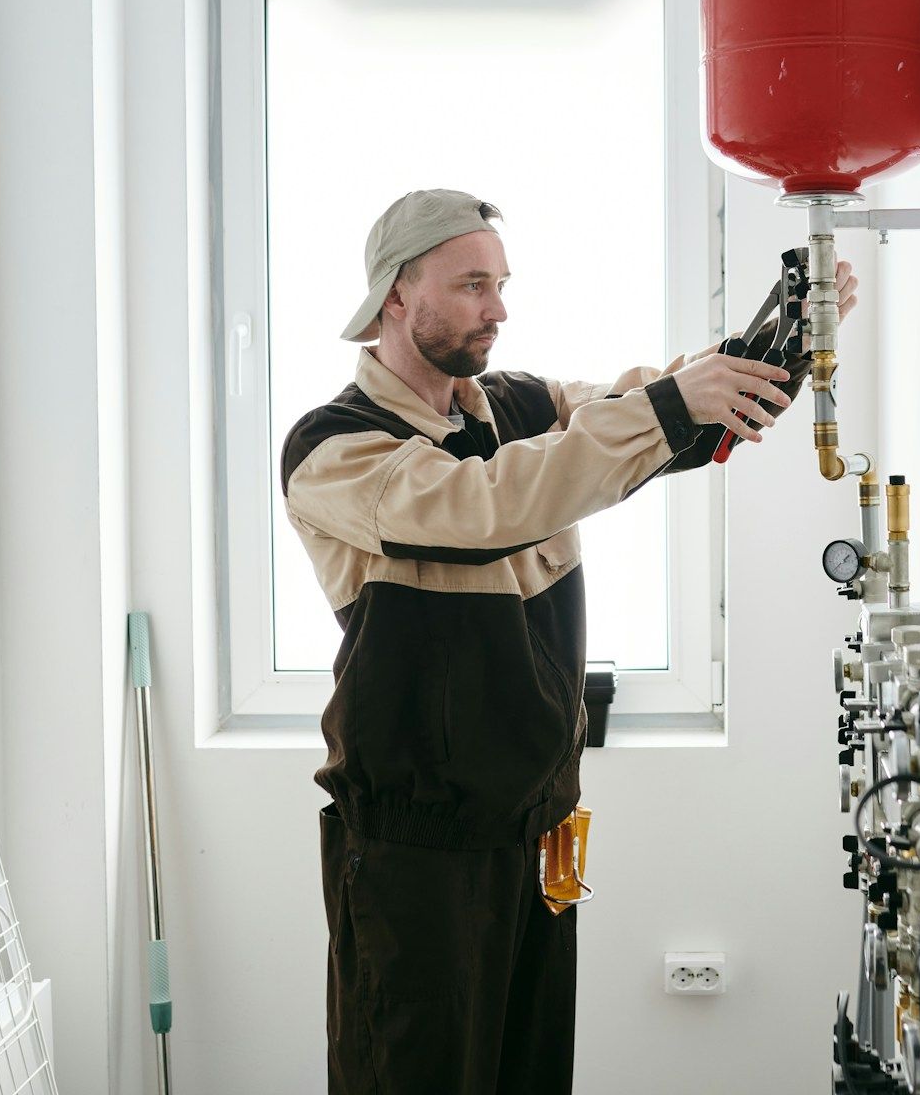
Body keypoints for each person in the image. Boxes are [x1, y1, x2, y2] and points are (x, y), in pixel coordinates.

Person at [279, 188, 857, 1094]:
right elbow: (491, 505)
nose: (498, 308)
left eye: (501, 284)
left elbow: (644, 425)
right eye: (473, 284)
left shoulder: (516, 404)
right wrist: (665, 406)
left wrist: (772, 343)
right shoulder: (333, 448)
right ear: (396, 294)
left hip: (536, 826)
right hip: (417, 853)